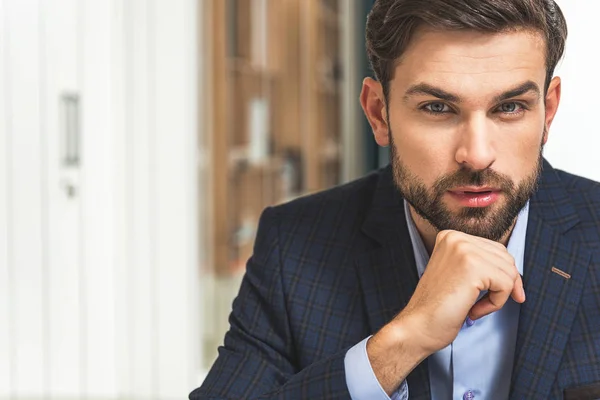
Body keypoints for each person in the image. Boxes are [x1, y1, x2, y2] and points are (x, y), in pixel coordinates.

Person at [190, 0, 600, 399]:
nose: (477, 154)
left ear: (547, 112)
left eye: (510, 107)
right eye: (437, 107)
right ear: (378, 113)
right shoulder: (293, 247)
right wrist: (400, 343)